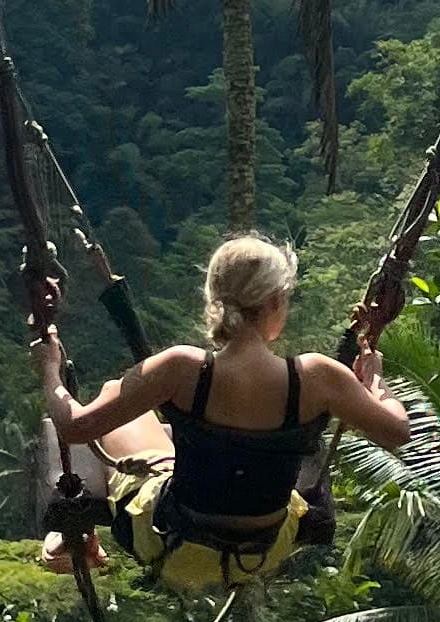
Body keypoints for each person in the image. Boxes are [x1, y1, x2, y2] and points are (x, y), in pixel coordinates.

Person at [44, 233, 409, 593]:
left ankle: (83, 538)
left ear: (214, 300)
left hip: (172, 545)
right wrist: (375, 379)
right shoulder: (318, 377)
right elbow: (397, 432)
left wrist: (49, 369)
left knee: (118, 398)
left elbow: (77, 426)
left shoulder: (181, 369)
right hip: (264, 549)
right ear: (278, 300)